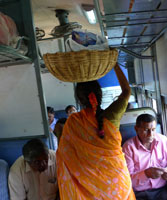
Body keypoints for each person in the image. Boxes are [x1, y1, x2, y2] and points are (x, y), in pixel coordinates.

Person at [57, 63, 135, 199]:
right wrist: (115, 65)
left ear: (79, 100)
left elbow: (66, 154)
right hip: (118, 185)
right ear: (101, 94)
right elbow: (127, 91)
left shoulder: (73, 122)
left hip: (86, 189)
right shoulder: (112, 116)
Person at [122, 114, 167, 200]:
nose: (150, 134)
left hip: (161, 190)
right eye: (146, 130)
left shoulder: (163, 141)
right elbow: (127, 180)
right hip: (139, 193)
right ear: (136, 129)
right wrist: (146, 174)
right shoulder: (128, 148)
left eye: (153, 130)